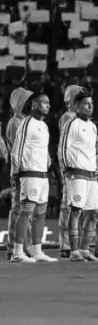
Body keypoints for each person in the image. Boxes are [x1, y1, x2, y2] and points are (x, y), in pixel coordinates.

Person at [10, 91, 57, 263]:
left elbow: (42, 149)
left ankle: (37, 251)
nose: (48, 105)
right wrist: (16, 173)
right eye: (45, 102)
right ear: (35, 105)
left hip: (42, 175)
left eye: (49, 102)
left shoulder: (43, 126)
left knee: (40, 214)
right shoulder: (26, 123)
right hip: (29, 173)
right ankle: (17, 252)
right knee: (26, 213)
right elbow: (17, 150)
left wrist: (48, 163)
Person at [60, 89, 98, 262]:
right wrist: (64, 171)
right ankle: (74, 251)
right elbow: (63, 148)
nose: (90, 106)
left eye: (92, 104)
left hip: (92, 174)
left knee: (94, 214)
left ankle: (84, 249)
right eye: (86, 103)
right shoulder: (71, 123)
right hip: (76, 173)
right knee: (76, 211)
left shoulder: (92, 126)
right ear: (77, 105)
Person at [5, 87, 32, 261]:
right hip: (21, 171)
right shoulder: (15, 123)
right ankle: (15, 248)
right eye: (27, 101)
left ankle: (21, 247)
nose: (30, 104)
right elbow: (20, 149)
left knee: (25, 210)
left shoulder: (25, 122)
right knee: (18, 209)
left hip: (28, 170)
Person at [57, 84, 82, 258]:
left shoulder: (78, 118)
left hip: (80, 167)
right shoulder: (68, 117)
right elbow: (66, 145)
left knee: (76, 205)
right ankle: (65, 244)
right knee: (68, 205)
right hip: (71, 167)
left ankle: (73, 242)